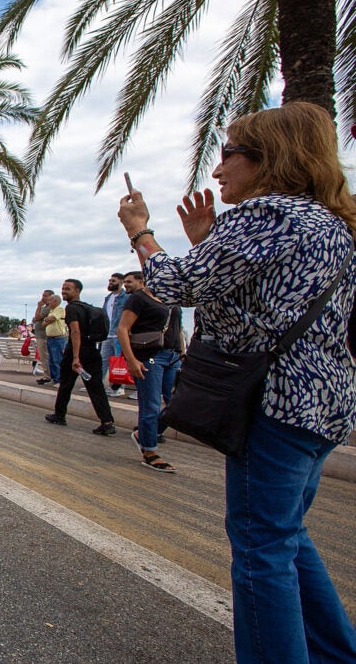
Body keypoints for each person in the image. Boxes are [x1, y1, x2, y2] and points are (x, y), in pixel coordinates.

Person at [118, 101, 356, 662]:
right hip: (323, 402)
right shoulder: (332, 224)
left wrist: (142, 233)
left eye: (229, 155)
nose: (218, 169)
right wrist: (206, 241)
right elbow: (261, 297)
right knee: (286, 536)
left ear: (271, 159)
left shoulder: (268, 215)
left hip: (272, 398)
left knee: (260, 548)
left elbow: (177, 284)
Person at [116, 270, 180, 473]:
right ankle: (150, 451)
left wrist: (182, 352)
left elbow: (176, 329)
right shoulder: (139, 298)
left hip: (172, 355)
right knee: (151, 404)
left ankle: (143, 434)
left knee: (177, 403)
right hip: (151, 356)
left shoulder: (172, 300)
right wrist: (131, 359)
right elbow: (122, 329)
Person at [45, 279, 115, 434]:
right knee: (96, 387)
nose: (64, 291)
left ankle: (59, 415)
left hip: (76, 352)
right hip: (92, 350)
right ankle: (107, 421)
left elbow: (75, 332)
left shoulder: (72, 309)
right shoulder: (87, 308)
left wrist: (76, 358)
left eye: (68, 289)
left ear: (77, 291)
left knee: (66, 384)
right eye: (63, 288)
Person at [101, 273, 127, 396]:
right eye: (110, 280)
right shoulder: (108, 297)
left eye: (113, 280)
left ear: (121, 282)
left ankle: (119, 387)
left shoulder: (126, 297)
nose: (110, 282)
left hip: (119, 334)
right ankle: (99, 385)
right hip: (107, 334)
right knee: (103, 360)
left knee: (119, 362)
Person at [41, 293, 67, 385]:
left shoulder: (59, 309)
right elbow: (43, 324)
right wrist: (48, 319)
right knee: (51, 360)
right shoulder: (51, 310)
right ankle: (54, 378)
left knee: (57, 359)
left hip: (58, 338)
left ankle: (60, 380)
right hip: (50, 338)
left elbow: (51, 319)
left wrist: (48, 320)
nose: (48, 302)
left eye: (50, 300)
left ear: (55, 301)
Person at [31, 289, 54, 383]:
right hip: (40, 334)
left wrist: (39, 306)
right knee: (44, 356)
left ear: (50, 297)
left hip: (43, 335)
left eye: (45, 296)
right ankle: (47, 375)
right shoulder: (45, 307)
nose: (43, 297)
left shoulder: (48, 308)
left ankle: (48, 376)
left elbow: (37, 318)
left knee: (45, 356)